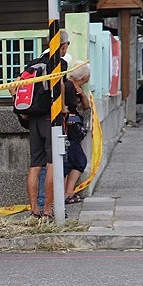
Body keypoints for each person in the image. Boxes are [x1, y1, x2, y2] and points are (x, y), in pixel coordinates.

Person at [23, 33, 69, 220]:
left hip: (33, 117)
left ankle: (34, 210)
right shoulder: (59, 63)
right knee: (52, 164)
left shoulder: (33, 63)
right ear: (63, 46)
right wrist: (63, 107)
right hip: (51, 118)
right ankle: (48, 210)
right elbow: (60, 87)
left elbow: (16, 85)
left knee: (35, 165)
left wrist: (24, 109)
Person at [63, 65, 92, 204]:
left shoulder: (75, 89)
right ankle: (65, 194)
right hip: (69, 129)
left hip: (73, 129)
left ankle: (68, 193)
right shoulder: (68, 86)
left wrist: (82, 95)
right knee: (76, 162)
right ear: (85, 77)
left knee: (74, 162)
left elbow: (87, 108)